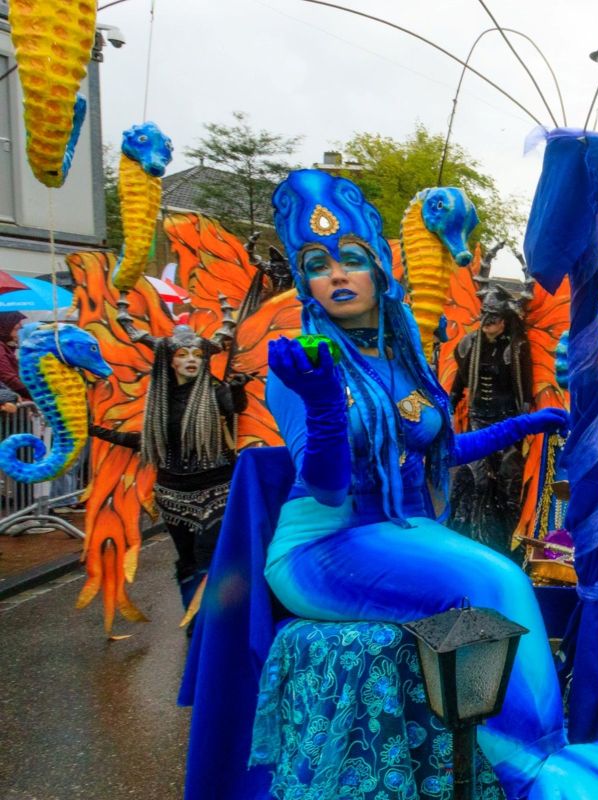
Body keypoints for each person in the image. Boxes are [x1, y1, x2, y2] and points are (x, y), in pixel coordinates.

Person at [260, 170, 569, 796]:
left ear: (380, 272)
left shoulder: (402, 358)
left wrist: (528, 424)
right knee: (491, 580)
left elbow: (443, 449)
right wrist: (322, 407)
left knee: (505, 575)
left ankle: (542, 753)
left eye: (352, 259)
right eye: (318, 265)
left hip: (399, 531)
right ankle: (531, 771)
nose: (338, 275)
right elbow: (323, 486)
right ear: (306, 284)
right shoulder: (300, 361)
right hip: (323, 544)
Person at [89, 313, 249, 611]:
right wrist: (94, 430)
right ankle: (192, 614)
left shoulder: (216, 390)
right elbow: (147, 442)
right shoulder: (160, 400)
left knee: (208, 554)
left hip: (217, 488)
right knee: (187, 558)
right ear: (169, 361)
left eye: (198, 355)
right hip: (172, 492)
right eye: (183, 354)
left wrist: (238, 388)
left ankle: (209, 622)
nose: (192, 360)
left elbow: (234, 408)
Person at [448, 282, 533, 551]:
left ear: (505, 322)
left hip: (507, 421)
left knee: (508, 477)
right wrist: (450, 400)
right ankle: (467, 532)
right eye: (485, 318)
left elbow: (525, 386)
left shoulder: (517, 347)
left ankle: (505, 536)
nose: (487, 324)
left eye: (493, 320)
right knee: (472, 474)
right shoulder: (470, 344)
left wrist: (524, 418)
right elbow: (461, 378)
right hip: (479, 418)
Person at [0, 311, 30, 400]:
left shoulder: (6, 345)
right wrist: (34, 393)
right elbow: (8, 378)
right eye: (16, 329)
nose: (21, 326)